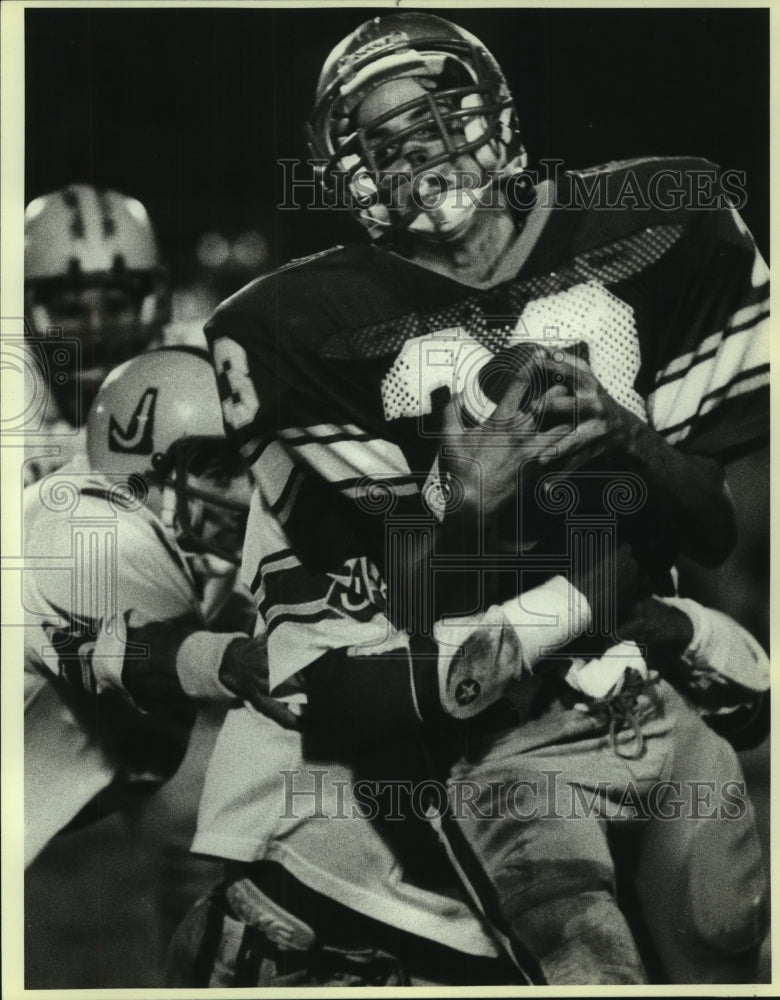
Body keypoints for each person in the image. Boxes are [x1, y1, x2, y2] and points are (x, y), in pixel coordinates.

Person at [188, 12, 768, 985]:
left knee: (718, 939)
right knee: (587, 965)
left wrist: (630, 435)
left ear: (494, 109)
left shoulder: (664, 224)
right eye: (379, 138)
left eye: (436, 114)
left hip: (641, 673)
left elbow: (712, 527)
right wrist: (468, 499)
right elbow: (402, 615)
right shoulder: (295, 330)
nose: (418, 150)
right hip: (485, 724)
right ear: (349, 173)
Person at [22, 349, 287, 922]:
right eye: (220, 471)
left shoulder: (145, 515)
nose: (248, 492)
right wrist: (232, 661)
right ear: (145, 476)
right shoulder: (98, 535)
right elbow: (136, 651)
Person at [23, 183, 170, 484]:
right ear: (28, 311)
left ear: (152, 305)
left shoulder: (193, 369)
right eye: (72, 310)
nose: (97, 332)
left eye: (116, 306)